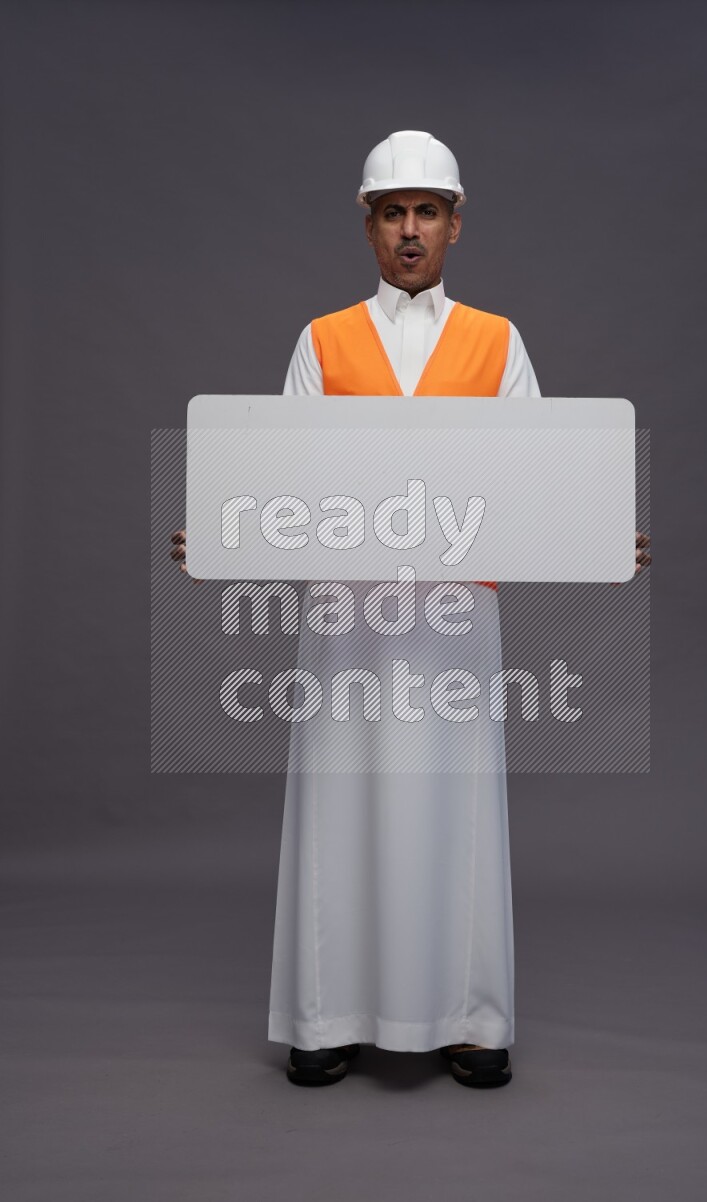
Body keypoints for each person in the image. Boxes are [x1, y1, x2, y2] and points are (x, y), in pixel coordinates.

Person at [170, 130, 651, 1090]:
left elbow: (535, 480)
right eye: (393, 212)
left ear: (455, 225)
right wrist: (226, 538)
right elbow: (284, 485)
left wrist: (597, 538)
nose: (410, 229)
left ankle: (468, 1019)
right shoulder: (323, 340)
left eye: (427, 211)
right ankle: (326, 1014)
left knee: (455, 806)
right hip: (346, 621)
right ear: (369, 225)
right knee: (339, 803)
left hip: (452, 620)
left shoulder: (497, 340)